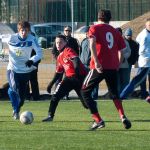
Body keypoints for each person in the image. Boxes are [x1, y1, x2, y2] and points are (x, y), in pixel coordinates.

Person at [81, 9, 131, 130]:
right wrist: (117, 63)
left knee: (84, 92)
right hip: (112, 68)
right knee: (114, 94)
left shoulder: (94, 28)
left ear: (98, 17)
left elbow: (92, 44)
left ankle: (98, 120)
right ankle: (122, 116)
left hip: (98, 67)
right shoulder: (115, 31)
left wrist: (97, 61)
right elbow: (124, 51)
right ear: (110, 19)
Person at [42, 34, 88, 122]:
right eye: (56, 43)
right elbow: (58, 73)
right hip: (69, 80)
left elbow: (76, 60)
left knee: (86, 104)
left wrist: (77, 73)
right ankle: (50, 116)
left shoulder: (68, 50)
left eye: (60, 42)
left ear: (65, 43)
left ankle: (96, 116)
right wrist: (50, 84)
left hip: (79, 78)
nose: (58, 44)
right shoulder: (59, 57)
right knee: (55, 96)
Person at [7, 21, 43, 120]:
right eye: (22, 30)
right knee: (13, 88)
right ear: (18, 30)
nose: (24, 33)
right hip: (12, 69)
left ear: (29, 31)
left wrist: (32, 60)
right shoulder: (11, 38)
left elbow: (39, 53)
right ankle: (15, 108)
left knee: (22, 99)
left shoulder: (32, 39)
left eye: (26, 31)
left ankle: (16, 110)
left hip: (25, 71)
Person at [120, 18, 150, 103]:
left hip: (147, 62)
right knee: (136, 82)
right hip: (145, 63)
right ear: (146, 25)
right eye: (149, 25)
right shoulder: (144, 35)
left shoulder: (146, 34)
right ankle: (122, 96)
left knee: (138, 81)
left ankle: (146, 96)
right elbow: (141, 51)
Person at [80, 26, 99, 100]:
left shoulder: (94, 41)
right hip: (83, 65)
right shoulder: (84, 41)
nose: (86, 34)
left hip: (91, 64)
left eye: (87, 32)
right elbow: (81, 52)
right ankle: (87, 95)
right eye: (85, 33)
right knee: (85, 81)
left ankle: (94, 96)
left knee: (93, 81)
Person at [116, 28, 131, 94]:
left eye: (119, 33)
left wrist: (123, 57)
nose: (118, 34)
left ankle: (124, 94)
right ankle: (117, 94)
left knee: (125, 81)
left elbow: (129, 52)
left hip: (124, 65)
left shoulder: (125, 42)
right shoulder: (112, 42)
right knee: (117, 81)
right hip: (115, 65)